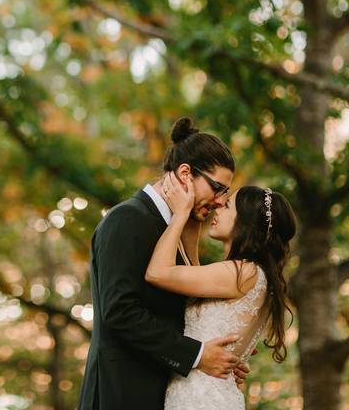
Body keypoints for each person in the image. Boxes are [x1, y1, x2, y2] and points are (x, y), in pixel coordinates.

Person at [77, 117, 247, 410]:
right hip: (122, 395)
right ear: (185, 174)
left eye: (225, 194)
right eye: (218, 188)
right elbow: (120, 311)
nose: (221, 201)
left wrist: (222, 351)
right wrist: (196, 354)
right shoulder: (127, 219)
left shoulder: (175, 231)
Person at [146, 170, 297, 409]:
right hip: (209, 395)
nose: (217, 209)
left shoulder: (241, 272)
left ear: (244, 222)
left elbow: (157, 273)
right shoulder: (253, 275)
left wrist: (180, 214)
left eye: (227, 206)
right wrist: (193, 224)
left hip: (200, 400)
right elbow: (193, 280)